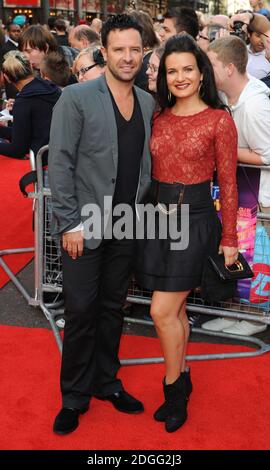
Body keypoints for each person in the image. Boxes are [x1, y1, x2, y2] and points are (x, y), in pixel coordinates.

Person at [48, 14, 155, 435]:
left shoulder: (147, 102)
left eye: (135, 49)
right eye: (119, 50)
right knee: (80, 311)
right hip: (85, 225)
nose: (128, 57)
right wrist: (69, 223)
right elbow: (60, 163)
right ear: (103, 52)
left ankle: (106, 382)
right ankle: (73, 397)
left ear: (143, 53)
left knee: (114, 308)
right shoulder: (75, 97)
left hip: (127, 224)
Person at [135, 34, 238, 433]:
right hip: (156, 220)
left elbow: (227, 183)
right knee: (174, 310)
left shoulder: (218, 120)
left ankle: (173, 388)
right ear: (164, 76)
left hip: (195, 221)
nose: (179, 77)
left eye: (187, 70)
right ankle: (184, 375)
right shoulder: (157, 116)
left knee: (161, 311)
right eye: (171, 70)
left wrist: (229, 240)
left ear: (201, 74)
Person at [203, 35, 270, 336]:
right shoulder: (230, 99)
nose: (206, 70)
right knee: (239, 252)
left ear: (229, 68)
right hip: (243, 193)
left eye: (212, 64)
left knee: (259, 256)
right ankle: (237, 311)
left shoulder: (256, 105)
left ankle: (256, 316)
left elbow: (268, 154)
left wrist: (223, 149)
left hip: (260, 197)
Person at [0, 50, 60, 158]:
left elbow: (18, 150)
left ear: (7, 78)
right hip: (62, 151)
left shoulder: (24, 101)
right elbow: (24, 133)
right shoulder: (51, 88)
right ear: (31, 68)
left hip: (44, 160)